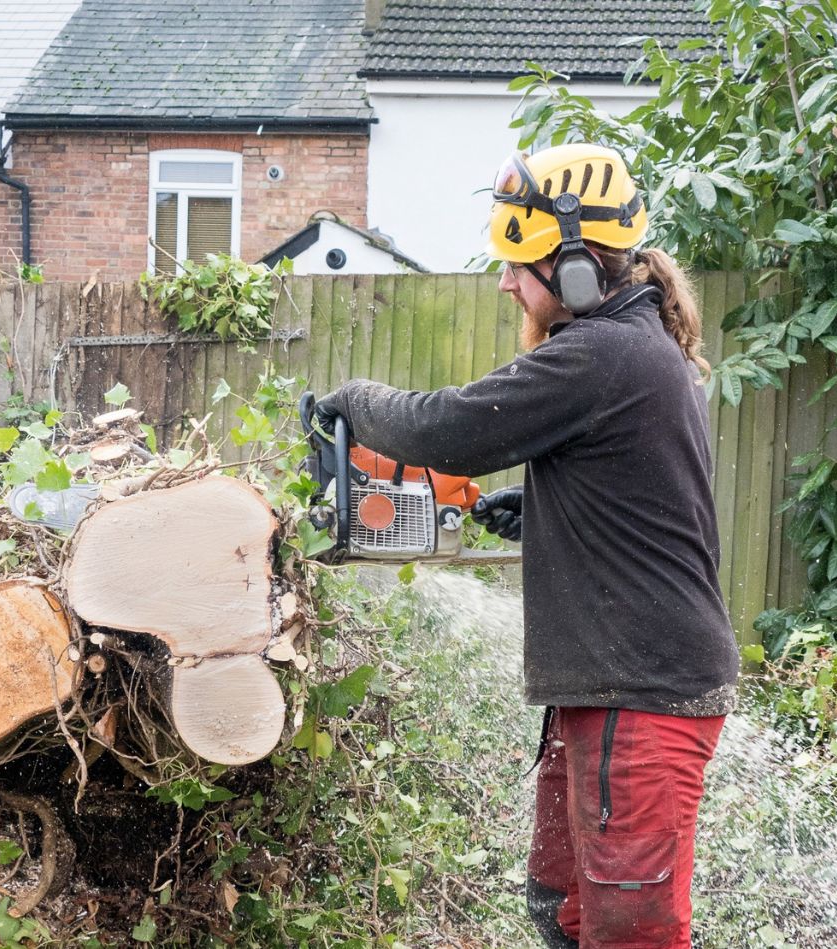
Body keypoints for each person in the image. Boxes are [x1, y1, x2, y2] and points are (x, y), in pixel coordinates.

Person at [312, 143, 739, 948]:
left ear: (576, 266)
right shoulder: (631, 346)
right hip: (603, 689)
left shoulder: (604, 351)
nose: (506, 281)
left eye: (518, 263)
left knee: (630, 932)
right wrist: (543, 503)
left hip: (641, 694)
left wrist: (355, 401)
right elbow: (638, 489)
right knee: (562, 907)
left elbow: (451, 430)